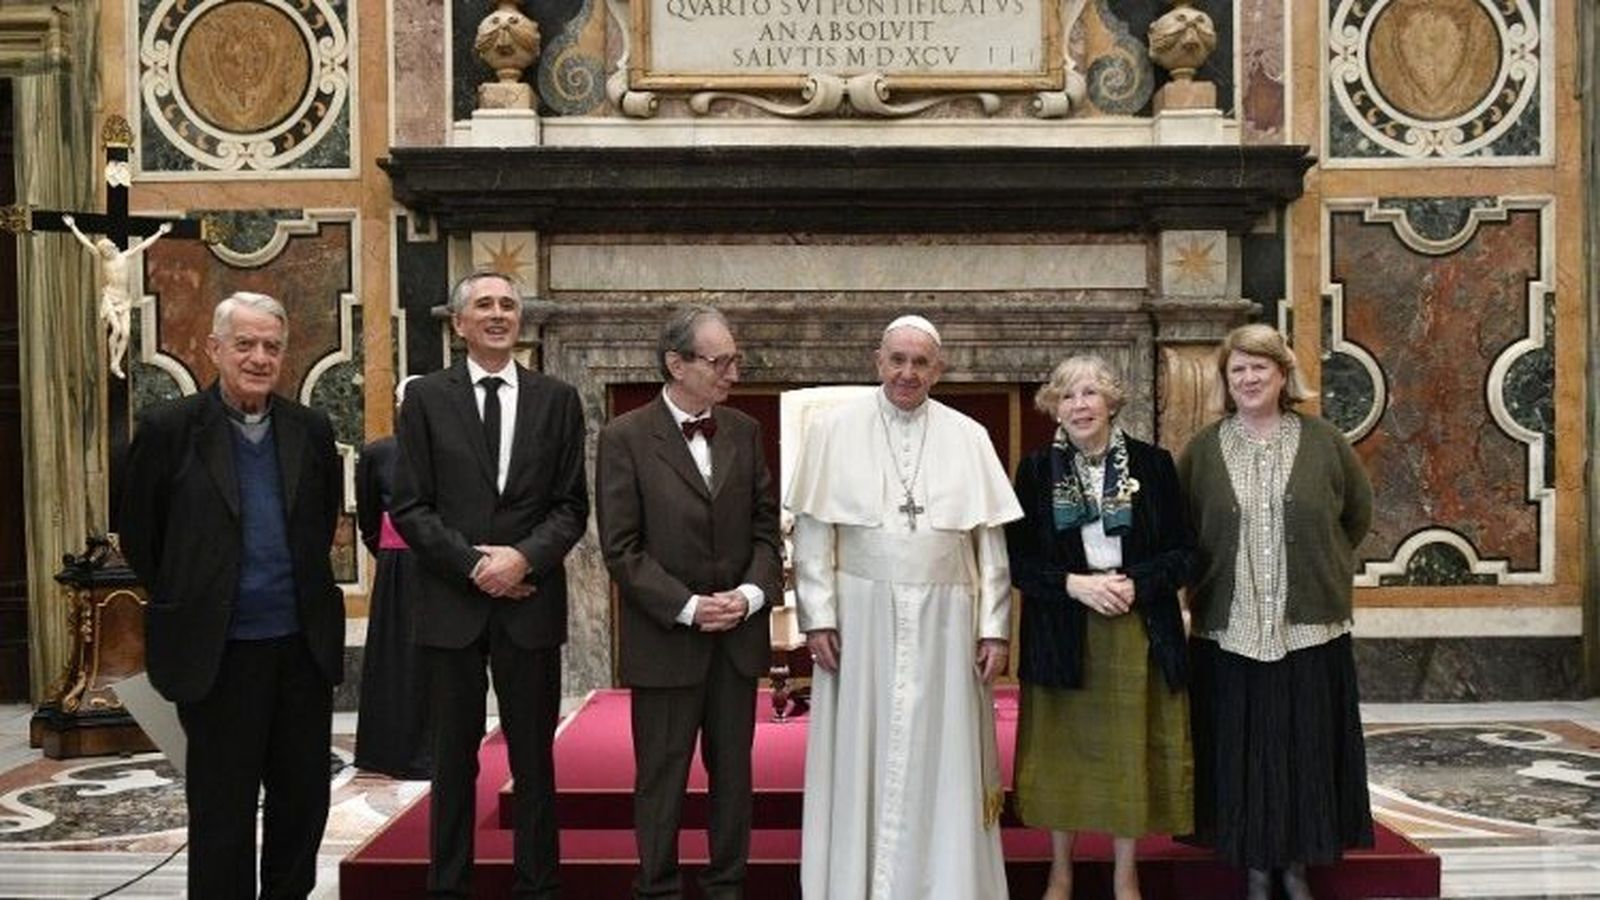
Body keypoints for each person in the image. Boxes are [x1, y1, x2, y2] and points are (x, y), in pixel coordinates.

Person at [786, 314, 1023, 899]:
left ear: (938, 371)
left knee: (942, 761)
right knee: (863, 751)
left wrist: (994, 628)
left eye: (921, 363)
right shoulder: (834, 430)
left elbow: (990, 547)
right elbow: (814, 533)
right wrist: (817, 615)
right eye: (898, 360)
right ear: (878, 361)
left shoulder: (968, 436)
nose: (907, 373)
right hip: (860, 619)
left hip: (948, 619)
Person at [119, 291, 344, 898]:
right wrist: (197, 593)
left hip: (300, 649)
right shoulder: (169, 430)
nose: (259, 357)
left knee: (303, 803)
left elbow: (319, 524)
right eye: (244, 344)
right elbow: (142, 535)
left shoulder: (311, 429)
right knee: (223, 812)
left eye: (271, 345)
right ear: (214, 348)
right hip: (216, 656)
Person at [391, 271, 589, 898]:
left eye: (508, 304)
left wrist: (521, 560)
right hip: (451, 606)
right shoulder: (425, 398)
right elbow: (410, 505)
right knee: (453, 761)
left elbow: (570, 507)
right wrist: (477, 566)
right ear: (459, 323)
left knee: (534, 759)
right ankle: (449, 886)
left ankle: (538, 885)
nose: (499, 314)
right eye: (485, 305)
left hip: (529, 603)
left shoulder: (556, 399)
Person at [1177, 324, 1374, 900]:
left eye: (1259, 367)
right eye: (1237, 370)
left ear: (1283, 374)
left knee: (1304, 747)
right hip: (1229, 629)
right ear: (1226, 380)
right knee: (1243, 748)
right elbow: (1186, 529)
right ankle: (1255, 864)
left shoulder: (1325, 442)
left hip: (1310, 627)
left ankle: (1298, 862)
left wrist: (1323, 567)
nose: (1248, 378)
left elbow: (1356, 516)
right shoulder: (1204, 450)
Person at [596, 306, 783, 899]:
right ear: (676, 364)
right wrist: (688, 607)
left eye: (734, 359)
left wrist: (751, 595)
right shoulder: (624, 437)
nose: (732, 371)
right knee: (662, 777)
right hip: (667, 640)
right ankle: (657, 887)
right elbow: (622, 550)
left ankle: (728, 884)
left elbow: (765, 530)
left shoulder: (744, 431)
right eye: (719, 360)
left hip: (735, 640)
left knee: (734, 777)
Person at [1006, 355, 1197, 900]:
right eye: (1067, 396)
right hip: (1063, 628)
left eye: (1090, 393)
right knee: (1063, 754)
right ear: (1054, 408)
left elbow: (1186, 552)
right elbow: (1016, 561)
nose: (1079, 405)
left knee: (1127, 753)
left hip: (1137, 626)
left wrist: (1137, 582)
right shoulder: (1037, 470)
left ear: (1112, 401)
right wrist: (1075, 584)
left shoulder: (1154, 465)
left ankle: (1124, 874)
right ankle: (1060, 870)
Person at [353, 374, 431, 779]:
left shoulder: (449, 450)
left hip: (441, 568)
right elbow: (368, 520)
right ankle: (388, 750)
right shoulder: (378, 454)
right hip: (397, 571)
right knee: (394, 662)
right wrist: (390, 557)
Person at [61, 214, 172, 378]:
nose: (106, 252)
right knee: (117, 329)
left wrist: (160, 232)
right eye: (104, 251)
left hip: (124, 299)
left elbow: (142, 246)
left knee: (125, 334)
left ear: (113, 247)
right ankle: (113, 358)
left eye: (108, 249)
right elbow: (86, 243)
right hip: (110, 298)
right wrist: (73, 227)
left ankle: (115, 363)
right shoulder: (102, 259)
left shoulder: (123, 256)